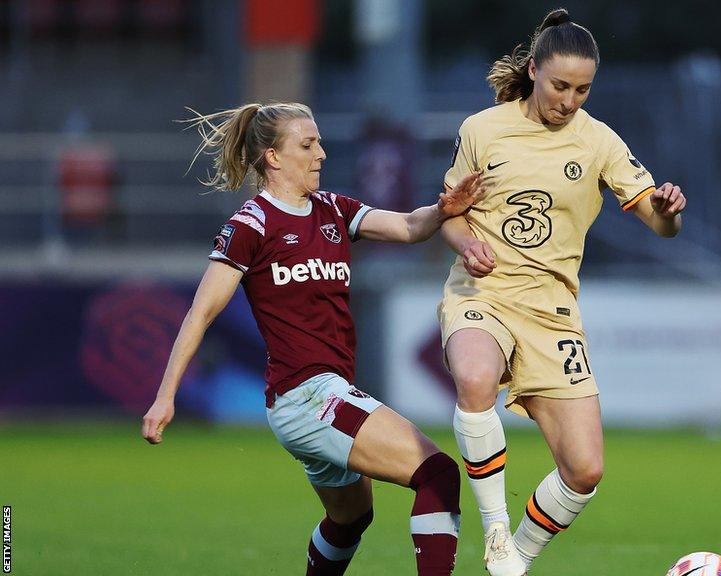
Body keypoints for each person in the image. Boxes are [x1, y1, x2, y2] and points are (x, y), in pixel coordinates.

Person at [141, 102, 485, 576]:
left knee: (352, 517)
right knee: (439, 473)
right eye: (307, 144)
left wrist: (444, 209)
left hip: (316, 396)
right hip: (307, 394)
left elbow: (408, 226)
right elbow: (200, 313)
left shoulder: (332, 210)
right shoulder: (251, 225)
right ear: (273, 158)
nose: (321, 153)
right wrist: (165, 398)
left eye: (319, 141)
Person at [438, 8, 687, 576]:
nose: (569, 100)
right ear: (533, 71)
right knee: (474, 379)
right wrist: (463, 243)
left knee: (584, 470)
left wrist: (669, 212)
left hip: (552, 311)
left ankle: (516, 560)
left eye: (582, 89)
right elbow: (449, 213)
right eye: (559, 86)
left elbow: (659, 222)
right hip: (485, 291)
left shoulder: (598, 141)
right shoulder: (483, 129)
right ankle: (496, 531)